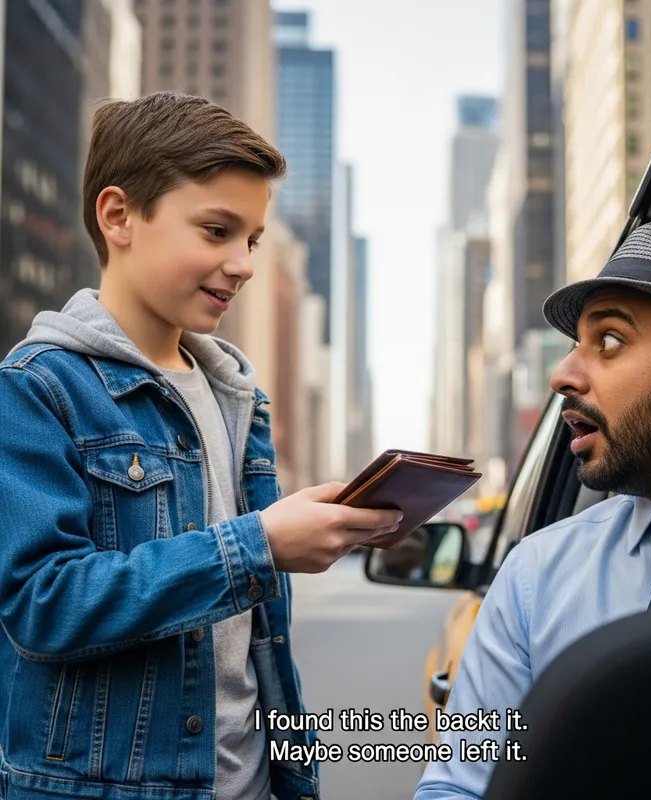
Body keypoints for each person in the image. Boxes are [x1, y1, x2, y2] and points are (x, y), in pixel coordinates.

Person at [0, 92, 403, 800]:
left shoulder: (235, 396)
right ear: (118, 216)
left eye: (251, 239)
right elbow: (44, 603)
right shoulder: (36, 390)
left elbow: (255, 642)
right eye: (217, 231)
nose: (243, 263)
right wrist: (258, 546)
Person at [414, 219, 651, 799]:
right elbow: (459, 787)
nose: (562, 374)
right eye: (574, 346)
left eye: (610, 341)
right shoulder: (534, 574)